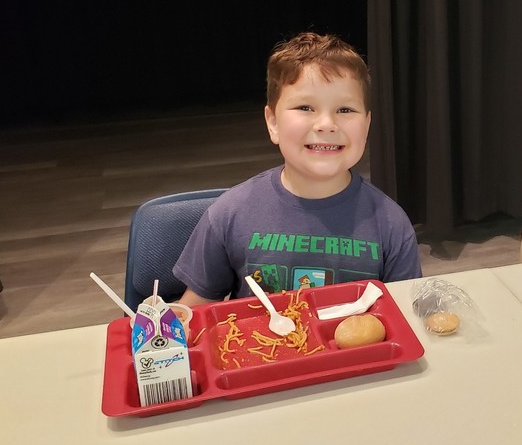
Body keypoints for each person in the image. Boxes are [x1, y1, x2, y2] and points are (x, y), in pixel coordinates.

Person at [173, 32, 422, 305]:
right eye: (305, 107)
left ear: (367, 124)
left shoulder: (391, 224)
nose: (326, 124)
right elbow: (196, 308)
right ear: (273, 123)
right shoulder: (230, 213)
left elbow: (405, 317)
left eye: (345, 110)